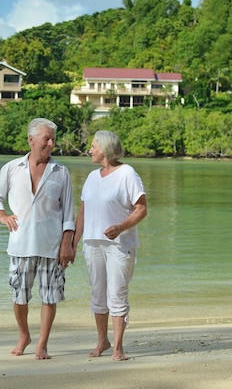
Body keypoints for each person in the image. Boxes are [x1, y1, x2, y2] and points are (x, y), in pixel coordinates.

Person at [0, 118, 75, 360]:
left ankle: (42, 345)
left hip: (52, 245)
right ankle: (24, 335)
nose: (50, 143)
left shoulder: (61, 172)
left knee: (50, 296)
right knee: (19, 296)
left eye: (53, 139)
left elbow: (68, 212)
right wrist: (2, 215)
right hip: (20, 243)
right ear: (31, 139)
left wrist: (67, 244)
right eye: (46, 138)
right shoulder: (12, 168)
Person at [72, 130, 147, 361]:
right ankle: (102, 341)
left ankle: (118, 348)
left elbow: (142, 209)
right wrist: (72, 243)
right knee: (98, 294)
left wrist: (120, 227)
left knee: (117, 296)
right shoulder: (93, 176)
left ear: (104, 149)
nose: (90, 150)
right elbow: (83, 211)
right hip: (93, 244)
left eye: (93, 146)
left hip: (119, 245)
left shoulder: (127, 174)